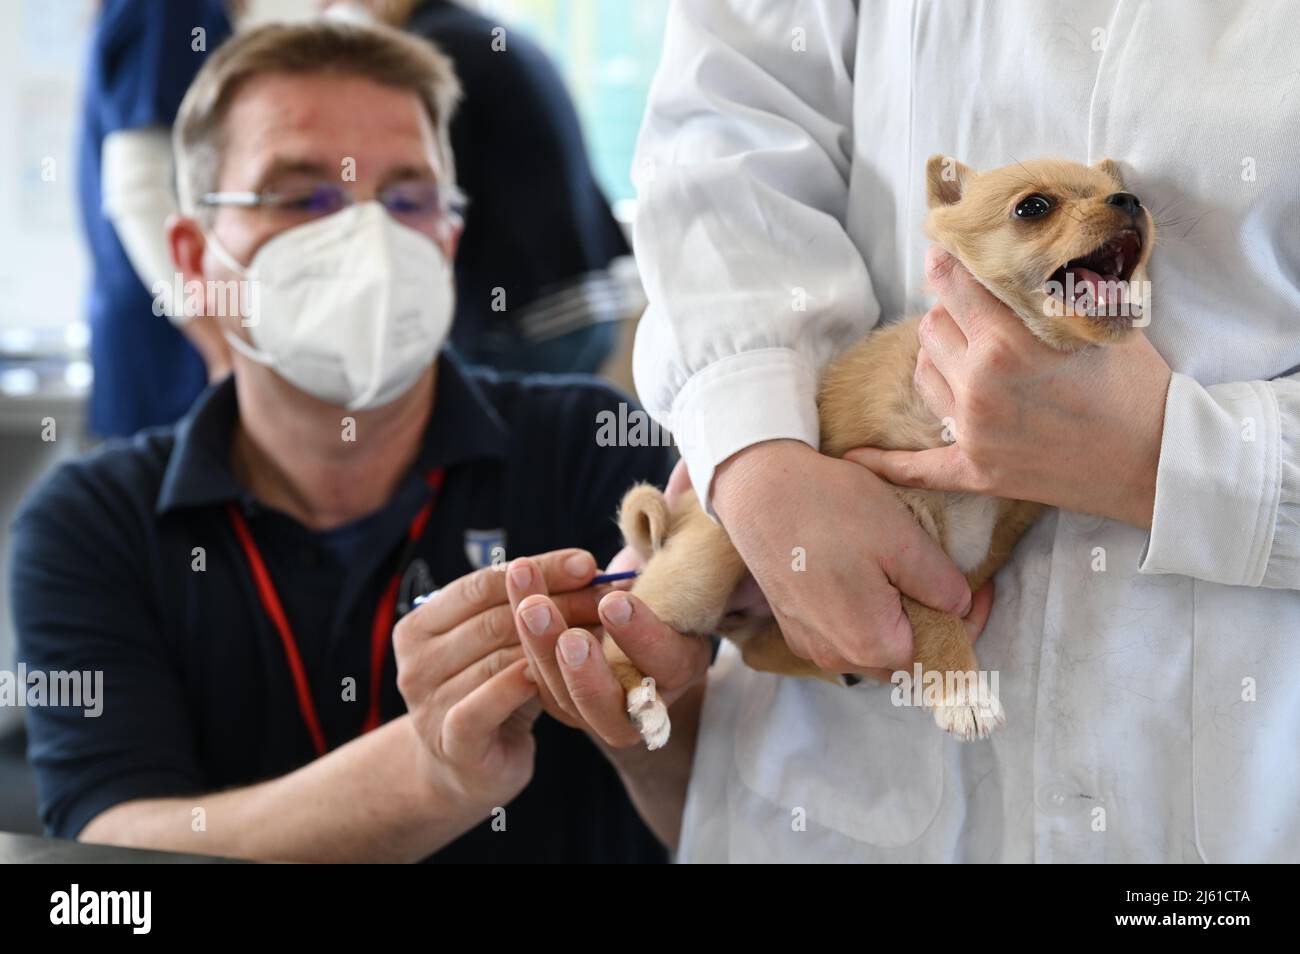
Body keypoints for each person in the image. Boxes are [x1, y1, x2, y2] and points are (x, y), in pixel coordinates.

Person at [514, 1, 1300, 863]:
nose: (1110, 206)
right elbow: (726, 129)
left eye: (1112, 199)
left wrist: (1187, 460)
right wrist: (756, 452)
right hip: (846, 762)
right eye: (1038, 208)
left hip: (1239, 776)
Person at [13, 18, 674, 863]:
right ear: (192, 256)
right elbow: (107, 849)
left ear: (450, 236)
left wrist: (665, 678)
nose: (368, 241)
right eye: (301, 196)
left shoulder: (595, 451)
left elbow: (712, 790)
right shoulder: (89, 524)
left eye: (408, 199)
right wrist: (432, 775)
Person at [325, 0, 635, 374]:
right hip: (586, 301)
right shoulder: (485, 33)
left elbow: (427, 194)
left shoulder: (431, 50)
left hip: (524, 318)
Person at [81, 0, 236, 437]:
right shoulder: (168, 8)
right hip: (172, 343)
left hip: (153, 327)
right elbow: (138, 189)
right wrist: (218, 345)